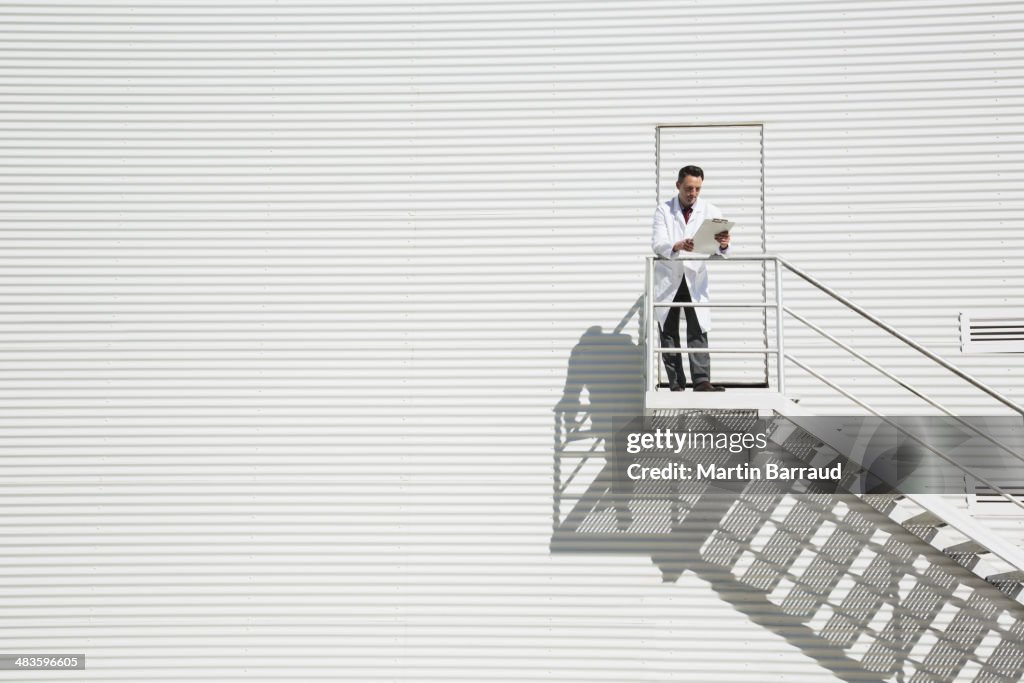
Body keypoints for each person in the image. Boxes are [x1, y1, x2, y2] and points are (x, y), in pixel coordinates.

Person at [650, 165, 731, 392]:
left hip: (694, 275)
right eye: (688, 188)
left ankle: (701, 380)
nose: (692, 193)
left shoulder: (711, 210)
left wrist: (723, 245)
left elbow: (718, 249)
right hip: (670, 275)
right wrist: (676, 245)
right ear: (678, 186)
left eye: (697, 188)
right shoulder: (664, 210)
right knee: (668, 330)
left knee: (698, 328)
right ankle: (676, 382)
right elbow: (657, 243)